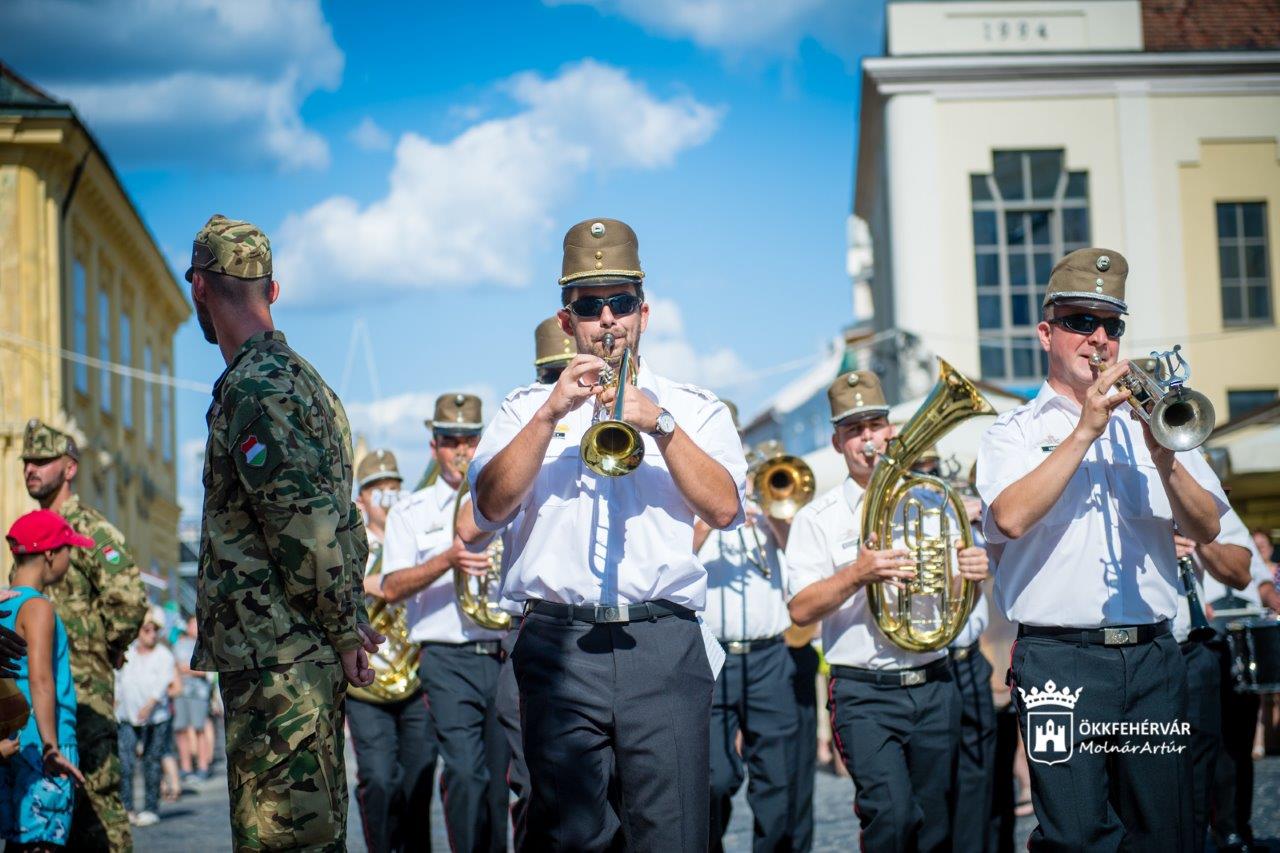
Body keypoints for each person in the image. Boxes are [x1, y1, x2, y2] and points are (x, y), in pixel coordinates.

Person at [470, 217, 746, 850]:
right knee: (568, 839)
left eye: (621, 303)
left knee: (673, 835)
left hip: (663, 643)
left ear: (643, 313)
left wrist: (661, 424)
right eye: (589, 307)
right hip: (558, 644)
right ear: (567, 322)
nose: (607, 319)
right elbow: (487, 508)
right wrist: (550, 415)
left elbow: (727, 508)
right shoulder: (522, 408)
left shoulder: (695, 406)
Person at [977, 248, 1228, 851]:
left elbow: (1209, 525)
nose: (1099, 339)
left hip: (1151, 659)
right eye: (1080, 322)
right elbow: (1008, 517)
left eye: (1112, 326)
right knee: (1076, 835)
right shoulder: (1012, 433)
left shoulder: (1155, 421)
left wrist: (1164, 455)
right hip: (1059, 663)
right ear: (1047, 332)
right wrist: (1085, 430)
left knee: (1162, 830)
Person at [186, 213, 382, 851]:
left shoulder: (256, 387)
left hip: (279, 667)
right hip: (298, 660)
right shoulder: (307, 384)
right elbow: (344, 526)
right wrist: (346, 616)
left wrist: (344, 627)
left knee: (283, 842)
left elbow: (308, 531)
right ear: (273, 290)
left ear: (199, 288)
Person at [786, 371, 988, 853]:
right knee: (892, 819)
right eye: (854, 430)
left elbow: (955, 604)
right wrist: (857, 573)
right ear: (838, 443)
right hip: (864, 693)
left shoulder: (932, 500)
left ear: (891, 430)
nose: (868, 438)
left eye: (875, 424)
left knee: (938, 825)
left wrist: (971, 576)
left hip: (935, 681)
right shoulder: (819, 518)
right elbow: (800, 609)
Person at [381, 394, 508, 852]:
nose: (461, 450)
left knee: (498, 783)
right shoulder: (410, 512)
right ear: (433, 445)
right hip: (446, 657)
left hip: (500, 651)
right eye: (450, 440)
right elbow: (391, 586)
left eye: (471, 440)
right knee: (466, 774)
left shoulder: (502, 502)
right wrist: (448, 559)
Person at [21, 419, 147, 851]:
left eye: (42, 460)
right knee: (43, 803)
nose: (30, 469)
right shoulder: (30, 534)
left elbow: (129, 599)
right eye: (27, 462)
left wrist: (102, 652)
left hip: (84, 694)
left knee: (97, 801)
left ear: (70, 468)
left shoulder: (89, 530)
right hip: (35, 694)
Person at [491, 317, 580, 850]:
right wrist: (548, 415)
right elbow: (478, 514)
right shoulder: (527, 418)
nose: (565, 382)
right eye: (553, 374)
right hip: (539, 629)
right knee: (537, 788)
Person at [696, 411, 799, 853]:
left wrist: (773, 514)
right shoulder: (689, 492)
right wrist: (711, 514)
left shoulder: (769, 496)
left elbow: (803, 551)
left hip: (768, 656)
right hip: (709, 656)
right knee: (714, 779)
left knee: (778, 781)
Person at [348, 448, 439, 852]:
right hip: (366, 684)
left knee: (419, 779)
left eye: (393, 488)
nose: (387, 495)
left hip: (415, 675)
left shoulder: (415, 537)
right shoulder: (351, 544)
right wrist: (381, 581)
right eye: (377, 489)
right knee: (380, 781)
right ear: (360, 500)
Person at [0, 510, 87, 850]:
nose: (70, 558)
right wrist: (52, 747)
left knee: (17, 840)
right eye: (69, 549)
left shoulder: (4, 602)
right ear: (51, 554)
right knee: (42, 843)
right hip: (42, 741)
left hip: (9, 737)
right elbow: (41, 678)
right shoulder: (39, 608)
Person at [114, 609, 179, 828]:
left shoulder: (164, 656)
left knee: (152, 761)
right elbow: (119, 681)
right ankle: (127, 808)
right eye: (147, 629)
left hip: (156, 718)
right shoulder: (129, 653)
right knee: (125, 763)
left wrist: (149, 705)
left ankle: (151, 808)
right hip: (127, 717)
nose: (151, 634)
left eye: (155, 630)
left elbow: (162, 685)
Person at [171, 616, 212, 782]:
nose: (194, 628)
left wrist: (187, 670)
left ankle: (203, 766)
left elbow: (205, 671)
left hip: (199, 694)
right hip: (180, 693)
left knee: (199, 729)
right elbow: (173, 667)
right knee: (181, 729)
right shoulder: (178, 645)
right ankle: (186, 767)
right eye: (192, 624)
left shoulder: (206, 646)